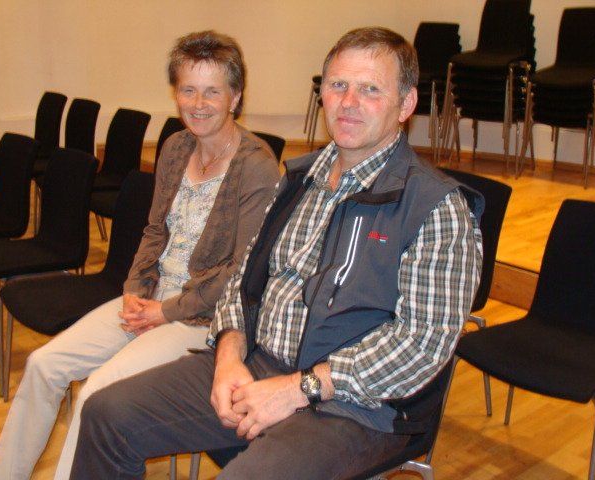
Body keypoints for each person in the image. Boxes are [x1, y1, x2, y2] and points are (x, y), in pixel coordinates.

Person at [70, 27, 484, 480]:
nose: (348, 102)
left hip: (355, 407)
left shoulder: (437, 208)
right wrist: (229, 352)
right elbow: (244, 278)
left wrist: (298, 388)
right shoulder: (297, 180)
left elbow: (422, 345)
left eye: (370, 90)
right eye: (338, 85)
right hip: (258, 362)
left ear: (405, 105)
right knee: (107, 415)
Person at [0, 30, 279, 480]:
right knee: (44, 365)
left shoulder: (256, 165)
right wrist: (134, 289)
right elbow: (154, 230)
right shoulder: (176, 147)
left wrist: (165, 311)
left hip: (201, 319)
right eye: (188, 90)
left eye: (212, 91)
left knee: (95, 395)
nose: (198, 103)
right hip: (149, 299)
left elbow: (239, 274)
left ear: (235, 96)